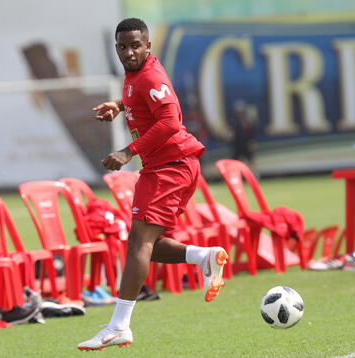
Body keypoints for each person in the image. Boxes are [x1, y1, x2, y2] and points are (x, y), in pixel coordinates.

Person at [77, 18, 229, 351]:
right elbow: (146, 101)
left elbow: (171, 121)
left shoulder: (150, 75)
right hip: (170, 166)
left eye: (136, 45)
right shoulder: (136, 76)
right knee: (146, 244)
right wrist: (120, 105)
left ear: (148, 46)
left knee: (137, 245)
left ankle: (118, 326)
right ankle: (204, 257)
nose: (130, 52)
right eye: (123, 46)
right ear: (117, 48)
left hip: (169, 167)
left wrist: (128, 151)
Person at [230, 99, 256, 164]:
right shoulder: (233, 121)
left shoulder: (247, 120)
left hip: (246, 144)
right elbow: (231, 132)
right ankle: (234, 173)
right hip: (237, 144)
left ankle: (254, 173)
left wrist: (251, 142)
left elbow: (251, 132)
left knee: (251, 159)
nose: (239, 110)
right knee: (234, 161)